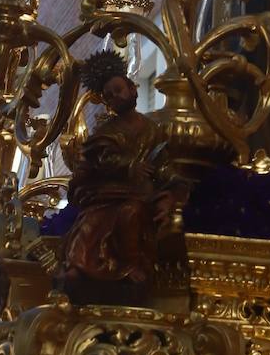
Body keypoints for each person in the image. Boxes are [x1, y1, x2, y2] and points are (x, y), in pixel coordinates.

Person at [59, 50, 184, 301]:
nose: (116, 96)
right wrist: (129, 167)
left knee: (130, 215)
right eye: (110, 96)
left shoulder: (153, 129)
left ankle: (132, 267)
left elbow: (163, 164)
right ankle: (77, 268)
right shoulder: (106, 132)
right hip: (106, 196)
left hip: (138, 197)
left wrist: (168, 193)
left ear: (133, 89)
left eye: (119, 89)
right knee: (89, 224)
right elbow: (99, 160)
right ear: (108, 103)